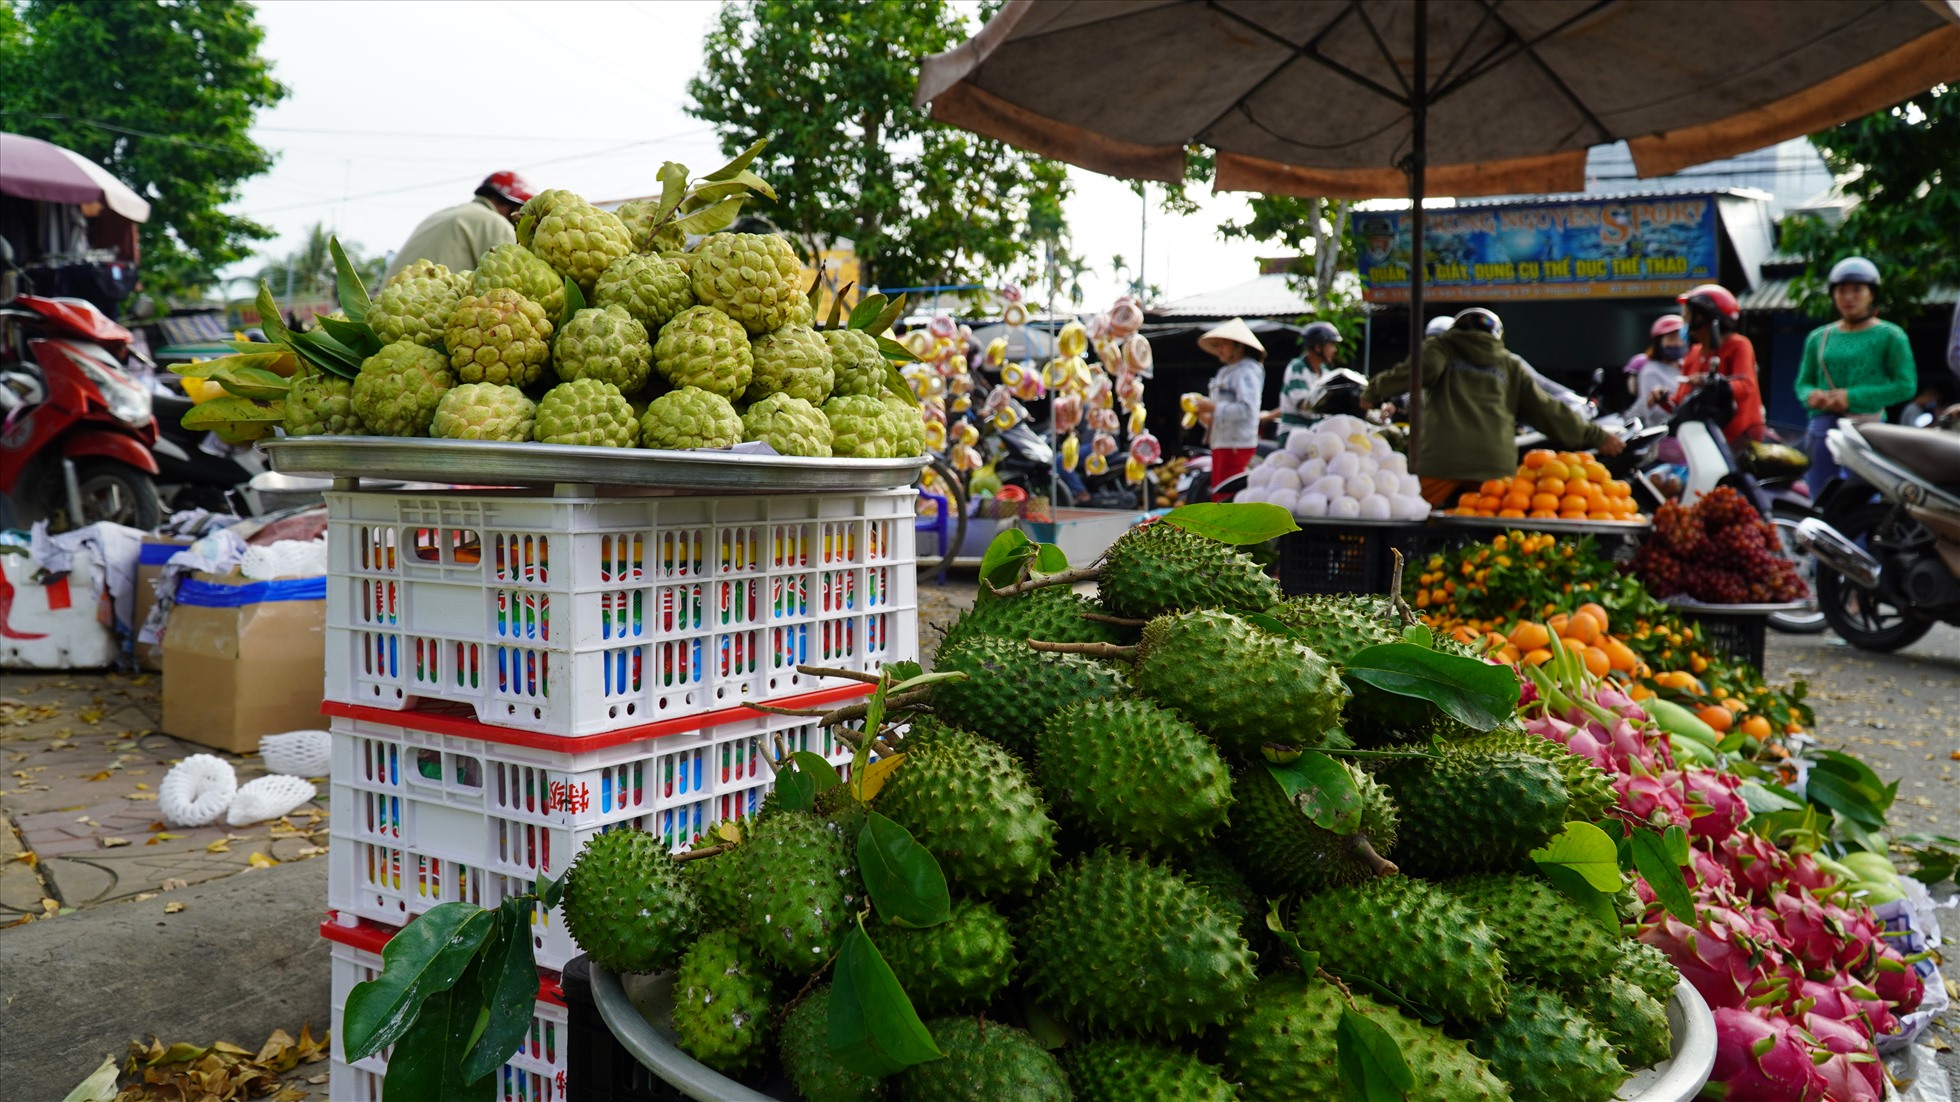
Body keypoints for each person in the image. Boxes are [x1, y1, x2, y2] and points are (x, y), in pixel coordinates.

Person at [1360, 307, 1623, 506]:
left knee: (1417, 520)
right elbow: (1547, 410)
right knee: (1490, 537)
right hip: (1493, 468)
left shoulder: (1442, 347)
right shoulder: (1509, 364)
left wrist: (1373, 391)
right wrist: (1596, 436)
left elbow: (1420, 369)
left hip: (1441, 463)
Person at [1793, 257, 1917, 496]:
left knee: (1861, 499)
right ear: (1833, 295)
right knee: (1820, 498)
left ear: (1871, 294)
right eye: (1841, 291)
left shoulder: (1891, 335)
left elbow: (1906, 386)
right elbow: (1803, 382)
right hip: (1822, 429)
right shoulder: (1818, 337)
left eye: (1857, 290)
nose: (1848, 297)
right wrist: (1811, 395)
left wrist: (1852, 397)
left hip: (1867, 428)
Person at [1652, 284, 1764, 447]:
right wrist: (1662, 399)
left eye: (1690, 316)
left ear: (1709, 318)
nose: (1686, 321)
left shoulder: (1738, 345)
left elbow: (1746, 386)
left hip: (1740, 439)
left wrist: (1711, 381)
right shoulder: (1694, 353)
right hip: (1706, 441)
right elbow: (1682, 403)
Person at [382, 171, 535, 283]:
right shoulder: (495, 223)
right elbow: (508, 280)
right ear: (513, 207)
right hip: (424, 310)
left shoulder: (443, 214)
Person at [1191, 317, 1266, 500]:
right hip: (1221, 444)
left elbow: (1248, 410)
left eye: (1222, 345)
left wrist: (1213, 407)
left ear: (1238, 346)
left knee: (1230, 498)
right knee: (1219, 495)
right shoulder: (1224, 372)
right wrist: (1205, 415)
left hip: (1237, 446)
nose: (1219, 350)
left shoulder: (1248, 370)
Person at [1271, 321, 1343, 431]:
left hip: (1314, 432)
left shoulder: (1325, 372)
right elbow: (1303, 405)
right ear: (1318, 347)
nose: (1335, 350)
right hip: (1293, 432)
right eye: (1331, 345)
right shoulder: (1297, 368)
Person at [1624, 316, 1688, 424]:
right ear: (1659, 342)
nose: (1677, 343)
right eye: (1671, 338)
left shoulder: (1684, 365)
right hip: (1665, 435)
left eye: (1681, 338)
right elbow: (1653, 412)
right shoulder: (1651, 371)